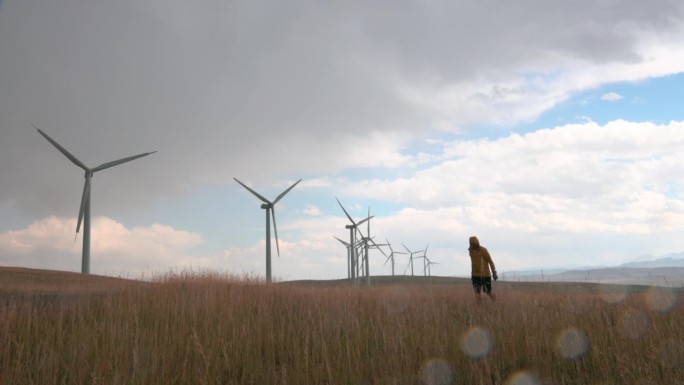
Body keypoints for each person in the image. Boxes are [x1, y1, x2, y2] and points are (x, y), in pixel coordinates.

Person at [468, 236, 497, 300]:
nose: (476, 245)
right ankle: (479, 308)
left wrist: (494, 272)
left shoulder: (483, 250)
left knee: (488, 292)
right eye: (474, 244)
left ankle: (495, 301)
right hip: (475, 276)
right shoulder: (470, 251)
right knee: (477, 292)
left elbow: (490, 261)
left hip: (485, 275)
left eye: (476, 244)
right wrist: (472, 274)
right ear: (471, 244)